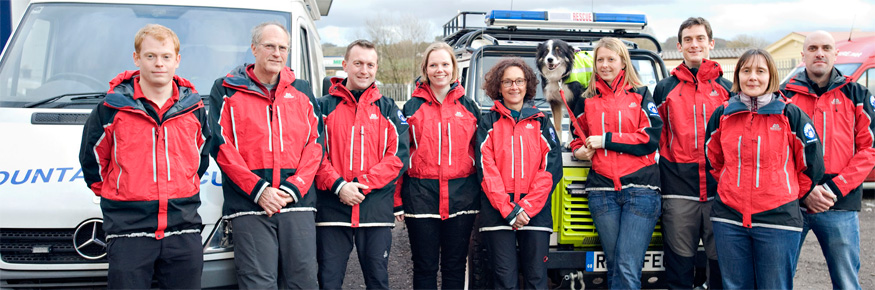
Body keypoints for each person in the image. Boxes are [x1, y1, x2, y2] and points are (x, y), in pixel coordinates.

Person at [79, 24, 210, 289]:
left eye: (165, 56)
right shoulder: (110, 109)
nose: (158, 63)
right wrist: (115, 191)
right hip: (129, 231)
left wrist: (180, 186)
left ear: (177, 60)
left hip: (182, 229)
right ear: (137, 59)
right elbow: (92, 160)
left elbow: (201, 159)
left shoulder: (193, 109)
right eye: (150, 56)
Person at [208, 22, 323, 289]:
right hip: (250, 206)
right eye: (269, 46)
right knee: (258, 283)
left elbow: (316, 144)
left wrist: (294, 188)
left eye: (283, 48)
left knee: (303, 281)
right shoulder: (225, 89)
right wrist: (260, 191)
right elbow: (221, 146)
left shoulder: (302, 90)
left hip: (298, 203)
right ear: (254, 49)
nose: (277, 53)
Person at [704, 48, 824, 290]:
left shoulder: (790, 115)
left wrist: (785, 193)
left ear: (771, 76)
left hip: (778, 220)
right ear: (737, 76)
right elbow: (713, 160)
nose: (753, 78)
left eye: (760, 71)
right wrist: (732, 187)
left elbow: (812, 165)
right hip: (730, 219)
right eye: (746, 71)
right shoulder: (723, 114)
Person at [781, 30, 874, 290]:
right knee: (776, 280)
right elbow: (777, 152)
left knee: (846, 282)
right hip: (792, 204)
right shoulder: (784, 96)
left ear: (836, 53)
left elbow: (869, 150)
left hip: (840, 203)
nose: (819, 53)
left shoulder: (858, 95)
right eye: (812, 48)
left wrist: (834, 188)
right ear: (803, 56)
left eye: (825, 48)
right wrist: (806, 189)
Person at [314, 39, 409, 290]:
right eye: (357, 63)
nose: (363, 70)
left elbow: (398, 157)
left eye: (370, 64)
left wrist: (360, 186)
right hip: (332, 210)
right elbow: (314, 153)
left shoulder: (388, 109)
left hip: (374, 210)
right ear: (345, 65)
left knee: (378, 280)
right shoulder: (322, 107)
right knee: (328, 280)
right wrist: (339, 186)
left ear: (376, 68)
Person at [569, 37, 663, 289]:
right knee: (614, 265)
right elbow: (577, 136)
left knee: (626, 266)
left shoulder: (641, 95)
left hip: (641, 191)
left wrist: (606, 140)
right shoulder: (586, 99)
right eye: (600, 59)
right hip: (601, 192)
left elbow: (650, 138)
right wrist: (578, 151)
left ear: (623, 62)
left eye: (611, 59)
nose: (605, 65)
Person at [653, 17, 731, 290]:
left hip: (719, 191)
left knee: (720, 267)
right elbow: (657, 136)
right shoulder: (664, 89)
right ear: (679, 46)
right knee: (679, 267)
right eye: (688, 40)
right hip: (678, 189)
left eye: (700, 39)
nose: (694, 44)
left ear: (711, 43)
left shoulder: (730, 89)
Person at [394, 42, 480, 289]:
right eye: (433, 65)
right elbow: (399, 155)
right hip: (421, 197)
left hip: (461, 198)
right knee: (424, 267)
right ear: (425, 69)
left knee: (454, 267)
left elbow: (484, 155)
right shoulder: (411, 108)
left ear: (454, 68)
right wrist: (397, 199)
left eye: (445, 64)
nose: (439, 70)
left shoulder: (469, 107)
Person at [476, 57, 562, 289]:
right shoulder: (488, 122)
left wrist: (526, 208)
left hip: (536, 214)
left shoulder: (543, 123)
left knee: (536, 280)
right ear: (498, 87)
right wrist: (508, 209)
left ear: (527, 84)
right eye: (507, 82)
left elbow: (551, 169)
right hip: (497, 214)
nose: (514, 87)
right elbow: (486, 170)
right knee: (504, 281)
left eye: (519, 81)